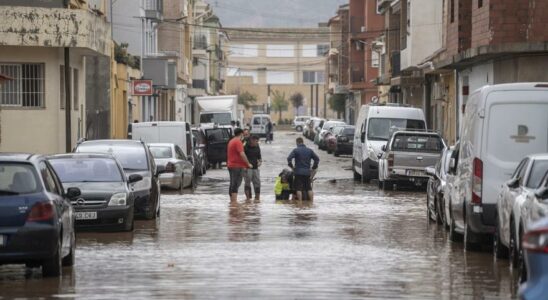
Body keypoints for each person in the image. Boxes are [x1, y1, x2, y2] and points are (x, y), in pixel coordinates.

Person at [227, 128, 253, 202]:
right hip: (236, 166)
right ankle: (234, 203)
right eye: (243, 134)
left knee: (232, 183)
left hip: (231, 165)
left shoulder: (231, 141)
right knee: (236, 183)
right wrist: (248, 163)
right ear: (241, 134)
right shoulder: (238, 142)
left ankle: (232, 202)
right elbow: (242, 154)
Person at [244, 135, 262, 201]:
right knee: (247, 183)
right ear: (252, 140)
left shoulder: (257, 146)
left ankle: (257, 198)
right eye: (256, 141)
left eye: (257, 141)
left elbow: (259, 157)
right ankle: (248, 199)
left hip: (255, 168)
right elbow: (242, 157)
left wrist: (260, 162)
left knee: (257, 183)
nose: (257, 142)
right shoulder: (245, 147)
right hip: (247, 168)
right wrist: (244, 166)